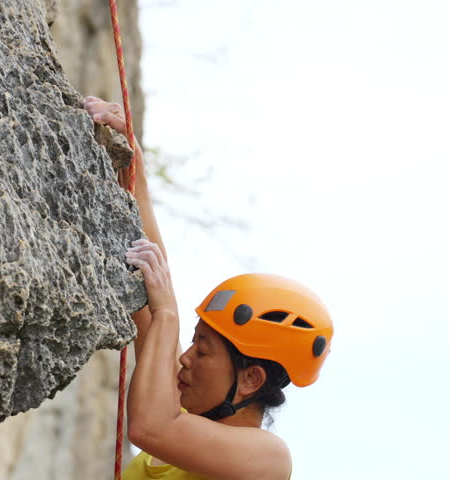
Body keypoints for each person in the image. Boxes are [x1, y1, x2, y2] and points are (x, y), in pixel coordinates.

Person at [82, 97, 334, 480]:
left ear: (250, 378)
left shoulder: (267, 460)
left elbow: (149, 427)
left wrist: (169, 312)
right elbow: (151, 299)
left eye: (202, 350)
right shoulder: (185, 413)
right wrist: (134, 173)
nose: (184, 359)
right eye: (194, 343)